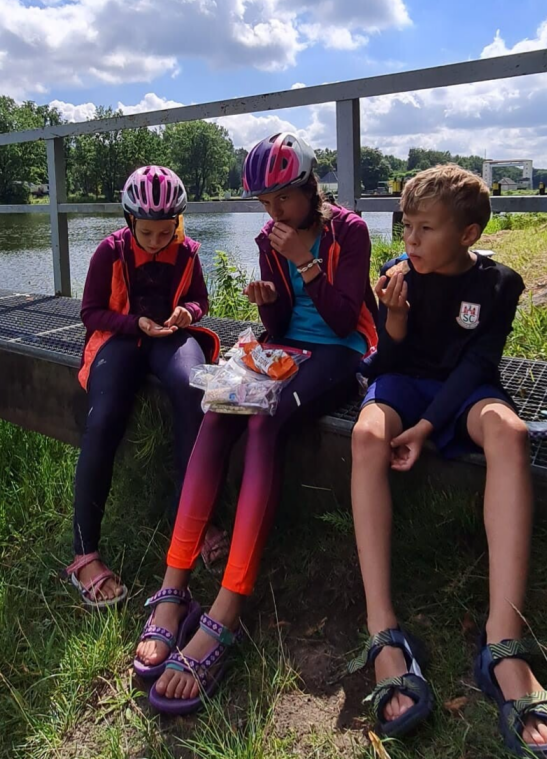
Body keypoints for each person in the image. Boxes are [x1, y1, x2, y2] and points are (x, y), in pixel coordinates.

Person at [134, 133, 378, 713]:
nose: (273, 213)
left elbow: (347, 317)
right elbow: (282, 320)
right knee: (219, 411)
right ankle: (173, 589)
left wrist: (305, 263)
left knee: (265, 423)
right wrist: (269, 295)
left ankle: (227, 607)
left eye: (283, 200)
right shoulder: (270, 236)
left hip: (341, 353)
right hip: (287, 348)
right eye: (265, 203)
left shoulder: (350, 231)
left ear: (309, 190)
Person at [349, 164, 545, 754]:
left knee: (510, 433)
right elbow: (388, 361)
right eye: (405, 227)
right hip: (406, 384)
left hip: (463, 395)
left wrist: (430, 426)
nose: (408, 241)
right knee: (365, 436)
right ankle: (382, 631)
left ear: (468, 233)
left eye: (424, 229)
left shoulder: (499, 285)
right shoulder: (394, 274)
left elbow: (478, 366)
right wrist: (396, 319)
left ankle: (503, 644)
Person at [65, 165, 223, 609]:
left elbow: (200, 299)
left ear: (177, 223)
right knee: (105, 416)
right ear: (130, 220)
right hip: (119, 336)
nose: (156, 242)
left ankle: (189, 519)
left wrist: (187, 315)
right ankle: (85, 554)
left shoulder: (188, 251)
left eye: (165, 233)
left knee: (195, 392)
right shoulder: (109, 251)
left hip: (169, 337)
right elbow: (92, 312)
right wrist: (134, 322)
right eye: (147, 233)